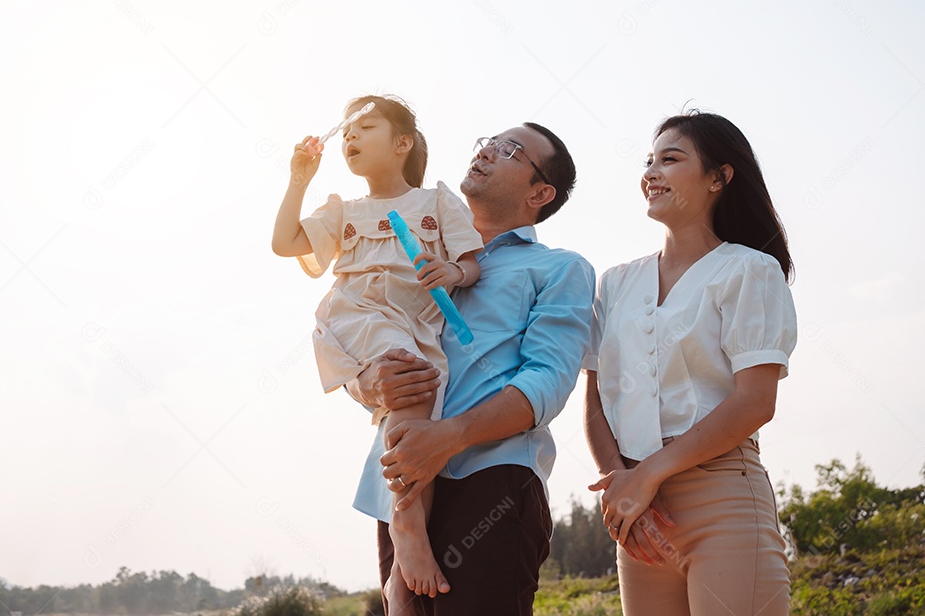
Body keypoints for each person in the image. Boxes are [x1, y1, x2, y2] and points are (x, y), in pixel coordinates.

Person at [345, 123, 595, 615]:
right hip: (401, 485)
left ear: (540, 193)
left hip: (490, 481)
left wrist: (450, 436)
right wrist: (368, 382)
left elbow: (546, 381)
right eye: (488, 143)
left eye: (510, 150)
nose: (487, 153)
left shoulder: (560, 268)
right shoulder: (409, 254)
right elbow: (365, 340)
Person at [271, 95, 484, 612]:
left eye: (365, 126)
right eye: (347, 130)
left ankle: (397, 570)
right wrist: (299, 179)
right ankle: (406, 524)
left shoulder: (436, 201)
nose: (350, 136)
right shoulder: (343, 210)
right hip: (359, 313)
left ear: (402, 142)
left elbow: (472, 262)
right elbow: (284, 242)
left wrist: (453, 272)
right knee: (407, 375)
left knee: (419, 404)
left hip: (417, 324)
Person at [583, 111, 797, 615]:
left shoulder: (750, 270)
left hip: (723, 497)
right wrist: (622, 484)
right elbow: (595, 400)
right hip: (637, 512)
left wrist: (648, 476)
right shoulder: (615, 283)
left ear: (718, 178)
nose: (651, 173)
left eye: (671, 159)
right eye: (649, 161)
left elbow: (755, 402)